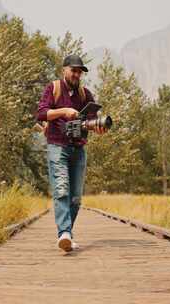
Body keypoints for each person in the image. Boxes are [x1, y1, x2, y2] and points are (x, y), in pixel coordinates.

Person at [35, 54, 107, 252]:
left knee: (75, 197)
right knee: (61, 190)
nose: (76, 74)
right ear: (64, 70)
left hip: (79, 149)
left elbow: (92, 121)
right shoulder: (54, 88)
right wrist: (64, 111)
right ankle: (64, 233)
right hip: (57, 146)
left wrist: (98, 127)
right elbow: (41, 113)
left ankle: (67, 233)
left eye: (79, 71)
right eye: (73, 70)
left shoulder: (86, 94)